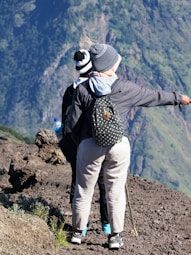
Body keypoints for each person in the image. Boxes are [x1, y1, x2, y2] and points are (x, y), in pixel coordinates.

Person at [68, 43, 191, 249]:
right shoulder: (126, 88)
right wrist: (179, 98)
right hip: (118, 145)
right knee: (115, 191)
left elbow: (73, 123)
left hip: (90, 146)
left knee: (83, 190)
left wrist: (82, 142)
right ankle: (115, 237)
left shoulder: (82, 89)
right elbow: (155, 96)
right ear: (110, 64)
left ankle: (77, 233)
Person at [58, 49, 111, 236]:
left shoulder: (70, 90)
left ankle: (80, 225)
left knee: (79, 184)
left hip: (75, 144)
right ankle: (107, 224)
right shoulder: (98, 88)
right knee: (104, 183)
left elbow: (66, 121)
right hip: (97, 141)